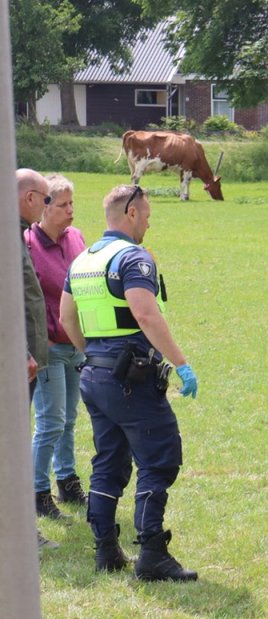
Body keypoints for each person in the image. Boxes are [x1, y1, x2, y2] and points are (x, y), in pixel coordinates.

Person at [58, 184, 198, 580]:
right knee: (159, 458)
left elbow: (67, 317)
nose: (148, 225)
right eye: (147, 216)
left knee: (109, 460)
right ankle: (152, 553)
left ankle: (106, 549)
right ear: (132, 213)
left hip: (95, 374)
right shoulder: (133, 257)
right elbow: (145, 314)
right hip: (131, 378)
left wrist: (94, 355)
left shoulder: (83, 259)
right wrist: (182, 364)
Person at [27, 174, 88, 521]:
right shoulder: (27, 244)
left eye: (71, 203)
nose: (70, 210)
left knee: (69, 419)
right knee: (51, 421)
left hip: (76, 343)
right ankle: (37, 493)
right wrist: (40, 340)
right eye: (63, 205)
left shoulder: (76, 237)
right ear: (44, 207)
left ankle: (67, 480)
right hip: (48, 348)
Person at [16, 168, 54, 549]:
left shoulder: (16, 234)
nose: (47, 206)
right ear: (29, 198)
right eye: (47, 199)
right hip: (15, 365)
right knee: (12, 452)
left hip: (20, 362)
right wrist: (23, 352)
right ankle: (21, 532)